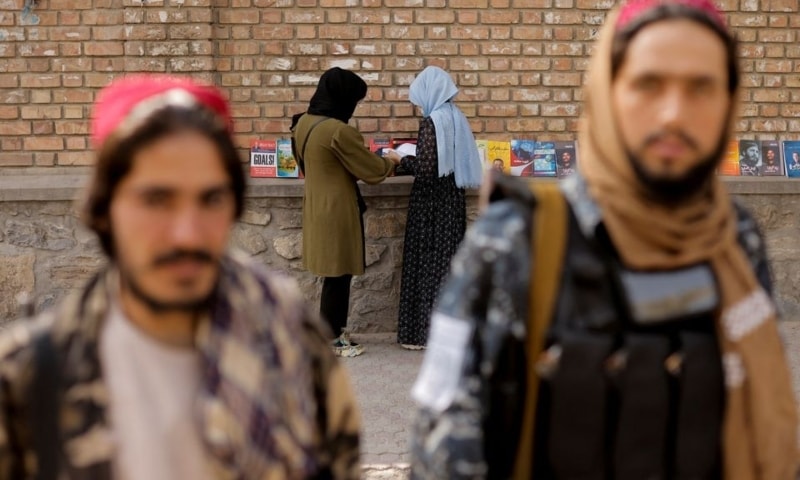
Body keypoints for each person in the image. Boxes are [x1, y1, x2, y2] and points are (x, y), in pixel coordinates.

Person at [410, 0, 799, 478]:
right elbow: (443, 454)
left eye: (702, 87)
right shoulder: (515, 241)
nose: (674, 113)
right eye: (648, 84)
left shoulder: (734, 239)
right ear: (608, 93)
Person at [0, 75, 361, 479]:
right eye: (157, 200)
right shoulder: (30, 378)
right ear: (103, 208)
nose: (188, 233)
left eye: (211, 199)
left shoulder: (293, 345)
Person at [291, 67, 400, 357]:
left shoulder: (303, 123)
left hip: (315, 204)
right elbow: (372, 171)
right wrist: (392, 161)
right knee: (339, 273)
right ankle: (332, 337)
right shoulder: (338, 130)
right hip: (337, 209)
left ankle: (329, 332)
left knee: (331, 272)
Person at [384, 66, 483, 350]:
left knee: (426, 265)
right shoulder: (456, 117)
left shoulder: (433, 122)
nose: (417, 106)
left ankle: (421, 334)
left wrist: (399, 159)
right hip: (452, 202)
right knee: (447, 267)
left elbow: (427, 169)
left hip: (430, 206)